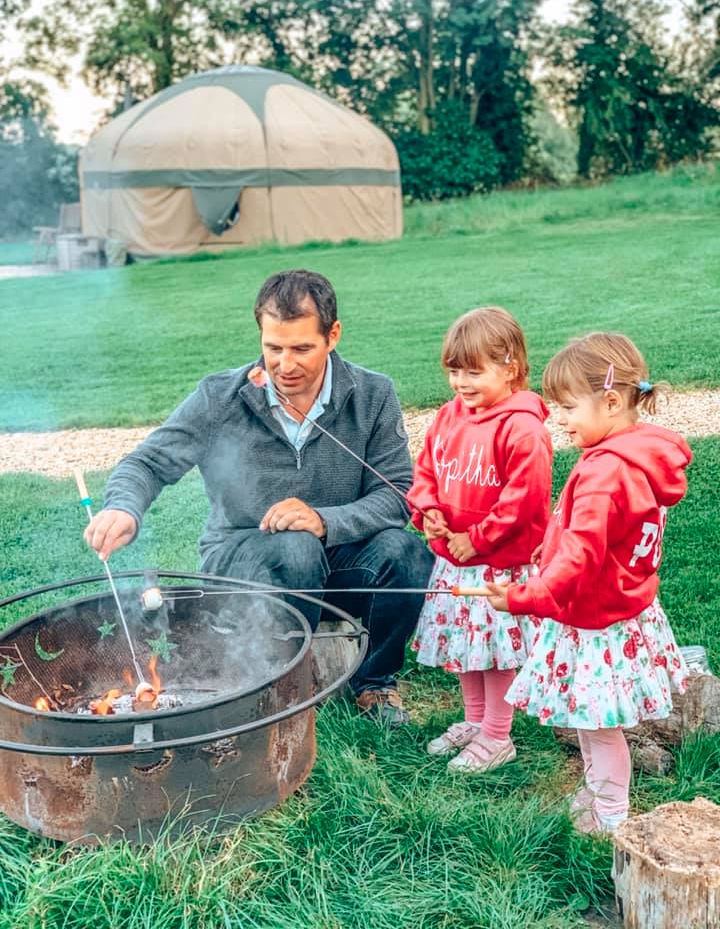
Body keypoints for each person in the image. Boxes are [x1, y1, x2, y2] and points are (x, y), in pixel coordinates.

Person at [83, 269, 434, 726]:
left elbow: (397, 496)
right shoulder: (220, 396)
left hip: (336, 558)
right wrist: (122, 507)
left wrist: (324, 521)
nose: (285, 364)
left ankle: (374, 685)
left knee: (405, 552)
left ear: (333, 336)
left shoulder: (373, 394)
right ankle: (283, 684)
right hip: (243, 562)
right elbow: (146, 462)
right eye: (274, 348)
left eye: (302, 348)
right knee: (296, 548)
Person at [486, 332, 691, 833]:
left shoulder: (606, 471)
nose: (562, 418)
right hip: (625, 609)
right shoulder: (636, 455)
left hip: (596, 623)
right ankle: (601, 791)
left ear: (612, 401)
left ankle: (611, 816)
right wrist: (550, 544)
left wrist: (524, 597)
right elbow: (597, 535)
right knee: (590, 723)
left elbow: (582, 555)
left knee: (597, 728)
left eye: (569, 406)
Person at [407, 307, 552, 773]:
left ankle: (497, 735)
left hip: (497, 565)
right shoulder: (450, 416)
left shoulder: (522, 427)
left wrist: (480, 538)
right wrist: (426, 511)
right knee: (466, 647)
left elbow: (525, 499)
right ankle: (474, 721)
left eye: (474, 371)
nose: (461, 383)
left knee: (494, 653)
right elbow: (425, 470)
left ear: (510, 367)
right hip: (456, 560)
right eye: (454, 371)